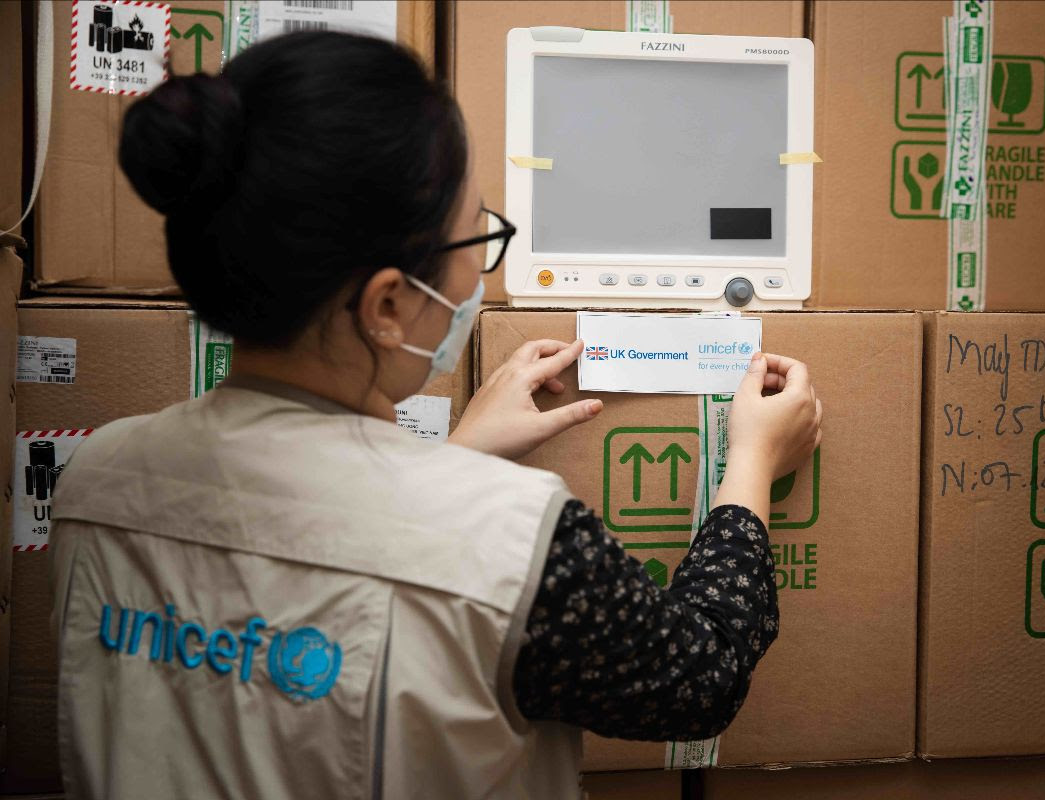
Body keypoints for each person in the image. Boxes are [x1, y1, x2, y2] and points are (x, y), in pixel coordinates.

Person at [48, 32, 822, 800]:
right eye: (474, 236)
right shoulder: (520, 540)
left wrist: (457, 459)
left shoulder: (95, 480)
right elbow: (699, 678)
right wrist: (753, 462)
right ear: (388, 306)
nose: (476, 270)